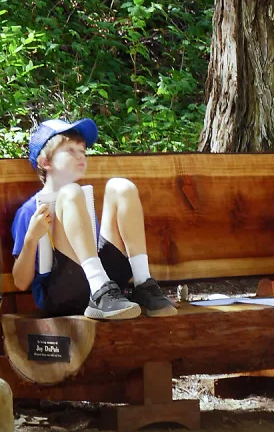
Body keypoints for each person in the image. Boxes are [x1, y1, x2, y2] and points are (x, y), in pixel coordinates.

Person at [11, 117, 176, 320]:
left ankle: (143, 284)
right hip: (63, 294)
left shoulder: (82, 201)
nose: (81, 156)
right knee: (71, 193)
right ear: (45, 162)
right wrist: (30, 239)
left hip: (106, 290)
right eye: (70, 150)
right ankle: (99, 290)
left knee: (121, 187)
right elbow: (20, 281)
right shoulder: (29, 211)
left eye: (83, 151)